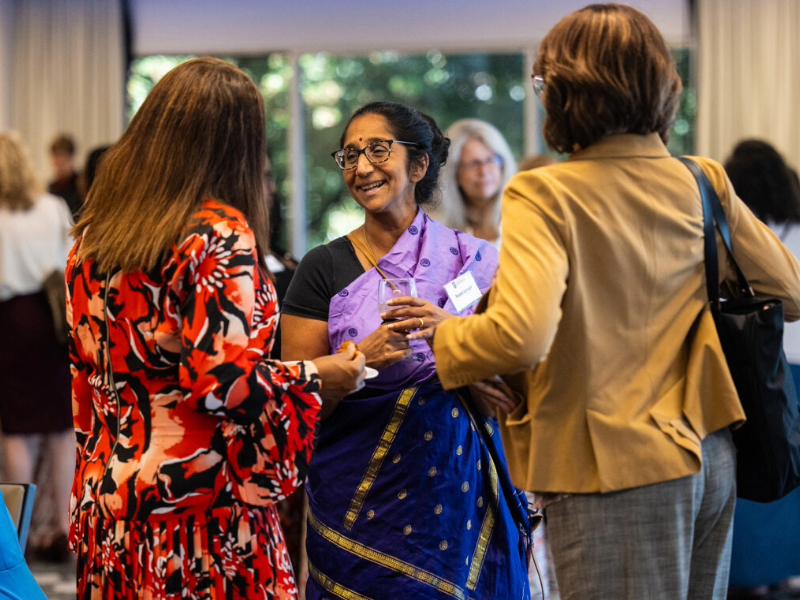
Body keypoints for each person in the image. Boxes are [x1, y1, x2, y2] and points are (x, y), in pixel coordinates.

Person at [414, 5, 800, 600]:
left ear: (568, 92)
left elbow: (521, 335)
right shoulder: (700, 180)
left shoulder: (547, 191)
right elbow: (788, 292)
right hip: (712, 452)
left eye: (544, 85)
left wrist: (445, 338)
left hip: (613, 464)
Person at [66, 57, 365, 599]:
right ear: (238, 145)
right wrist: (319, 375)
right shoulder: (217, 237)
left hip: (111, 504)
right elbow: (224, 387)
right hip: (204, 515)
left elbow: (87, 382)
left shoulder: (93, 239)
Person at [281, 101, 531, 599]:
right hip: (357, 508)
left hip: (458, 502)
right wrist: (358, 361)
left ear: (418, 165)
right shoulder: (322, 268)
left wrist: (458, 353)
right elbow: (293, 402)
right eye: (350, 155)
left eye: (378, 150)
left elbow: (517, 384)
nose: (362, 167)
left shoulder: (474, 260)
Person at [723, 139, 800, 599]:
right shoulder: (796, 220)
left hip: (757, 363)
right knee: (789, 473)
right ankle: (786, 572)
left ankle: (744, 576)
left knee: (752, 468)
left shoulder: (738, 225)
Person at [0, 131, 74, 564]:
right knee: (61, 430)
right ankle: (64, 528)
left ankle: (19, 532)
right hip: (51, 322)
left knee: (16, 432)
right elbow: (69, 262)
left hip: (7, 323)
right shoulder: (52, 207)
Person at [434, 118, 516, 246]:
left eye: (490, 160)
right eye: (473, 164)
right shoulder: (438, 229)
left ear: (503, 165)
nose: (483, 171)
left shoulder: (523, 217)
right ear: (454, 173)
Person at [48, 134, 83, 218]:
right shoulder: (51, 188)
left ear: (72, 158)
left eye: (64, 158)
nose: (59, 163)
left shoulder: (82, 186)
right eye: (56, 158)